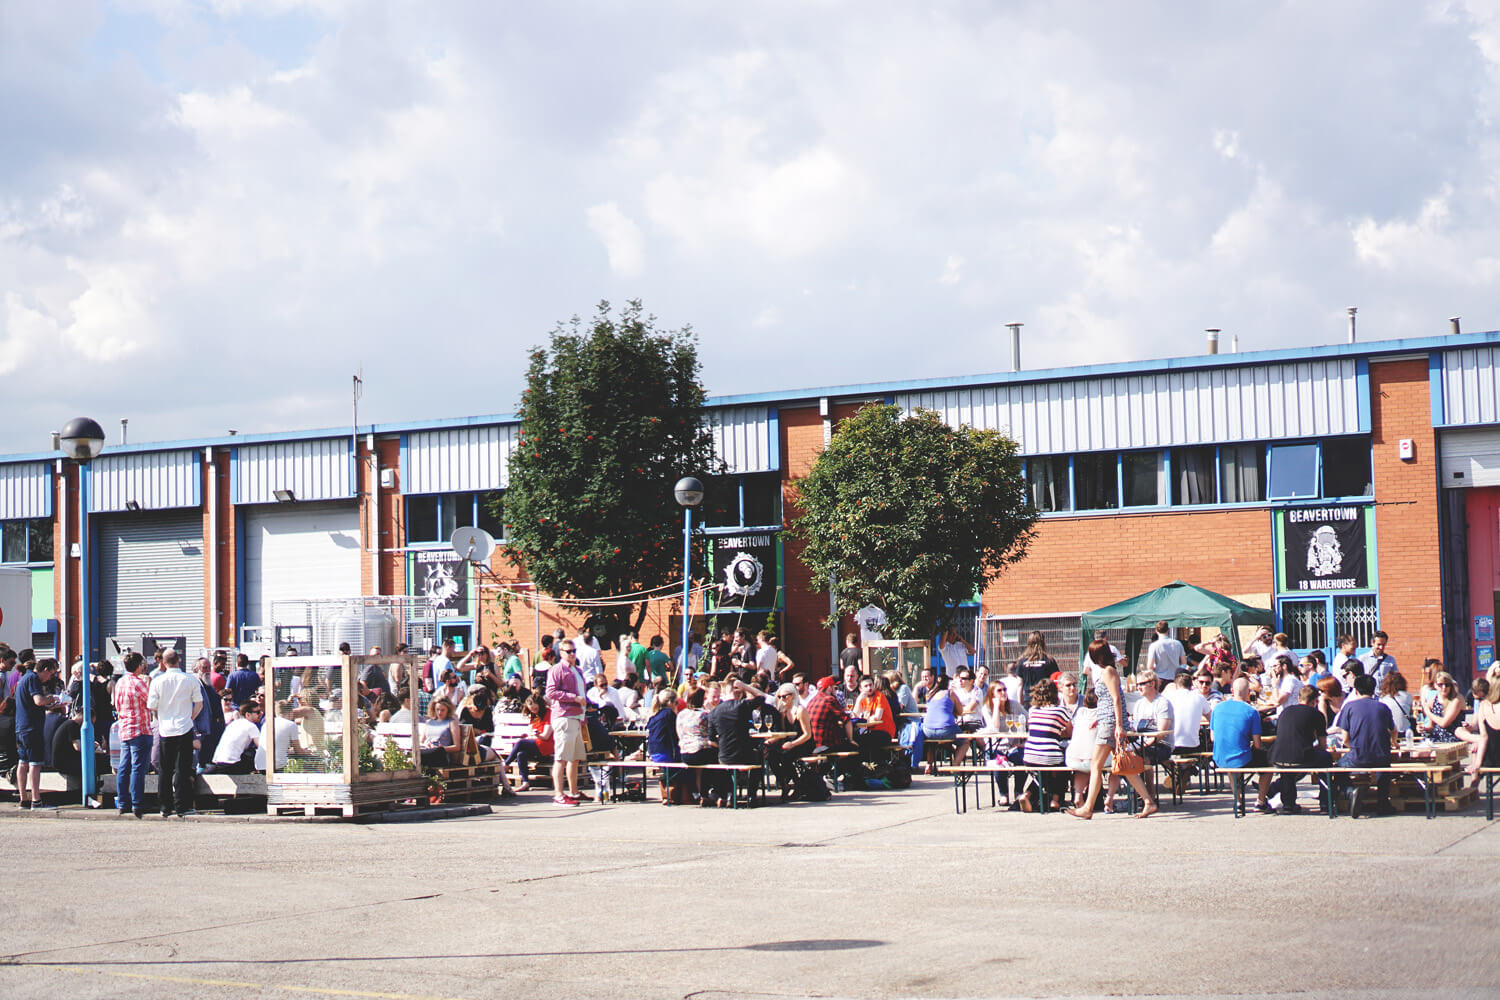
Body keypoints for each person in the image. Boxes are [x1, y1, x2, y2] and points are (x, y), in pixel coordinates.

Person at [1068, 642, 1158, 819]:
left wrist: (1118, 725)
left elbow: (1116, 699)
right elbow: (1110, 701)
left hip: (1110, 724)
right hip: (1108, 721)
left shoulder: (1108, 672)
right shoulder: (1108, 671)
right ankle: (1148, 801)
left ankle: (1088, 807)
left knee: (1096, 765)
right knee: (1123, 765)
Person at [147, 649, 203, 818]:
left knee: (165, 769)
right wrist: (190, 717)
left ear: (163, 662)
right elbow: (199, 704)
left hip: (165, 728)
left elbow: (152, 706)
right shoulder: (190, 680)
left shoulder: (157, 681)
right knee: (182, 769)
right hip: (184, 728)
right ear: (179, 660)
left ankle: (165, 806)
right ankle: (182, 806)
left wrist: (161, 718)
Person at [1332, 674, 1397, 817]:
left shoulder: (1349, 707)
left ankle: (1350, 791)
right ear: (1373, 690)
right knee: (1384, 767)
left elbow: (1345, 738)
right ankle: (1383, 802)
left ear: (1355, 690)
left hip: (1358, 756)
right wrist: (1394, 742)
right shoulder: (1383, 707)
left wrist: (1353, 747)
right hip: (1381, 756)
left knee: (1337, 768)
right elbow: (1394, 730)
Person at [1209, 676, 1272, 815]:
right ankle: (1261, 801)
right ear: (1249, 692)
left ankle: (1237, 801)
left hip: (1219, 757)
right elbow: (1257, 744)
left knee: (1231, 761)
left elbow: (1213, 738)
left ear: (1232, 691)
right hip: (1241, 758)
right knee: (1269, 765)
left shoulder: (1217, 709)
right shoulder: (1252, 712)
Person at [704, 678, 768, 806]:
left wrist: (722, 745)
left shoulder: (713, 713)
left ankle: (729, 794)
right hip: (744, 755)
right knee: (758, 756)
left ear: (724, 692)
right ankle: (752, 795)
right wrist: (745, 686)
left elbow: (711, 740)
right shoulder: (742, 705)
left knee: (726, 764)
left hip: (725, 756)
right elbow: (762, 697)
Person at [1269, 685, 1330, 813]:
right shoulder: (1316, 714)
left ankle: (1288, 804)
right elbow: (1323, 745)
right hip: (1301, 756)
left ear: (1298, 698)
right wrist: (1313, 748)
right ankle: (1325, 802)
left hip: (1277, 755)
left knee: (1288, 767)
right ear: (1315, 701)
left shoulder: (1285, 711)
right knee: (1325, 759)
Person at [544, 639, 589, 805]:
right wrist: (574, 698)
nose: (572, 654)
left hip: (577, 717)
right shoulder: (557, 669)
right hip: (564, 716)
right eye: (568, 651)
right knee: (561, 758)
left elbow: (581, 693)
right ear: (561, 652)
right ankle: (559, 795)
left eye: (573, 651)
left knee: (574, 758)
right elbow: (551, 692)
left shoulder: (577, 670)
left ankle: (574, 792)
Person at [1020, 678, 1072, 812]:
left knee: (1042, 773)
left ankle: (1027, 794)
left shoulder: (1032, 710)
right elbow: (1070, 731)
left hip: (1029, 755)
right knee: (1064, 767)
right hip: (1049, 754)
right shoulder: (1060, 711)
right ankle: (1055, 799)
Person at [112, 651, 153, 815]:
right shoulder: (138, 683)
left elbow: (115, 704)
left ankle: (123, 802)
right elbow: (151, 702)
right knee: (138, 768)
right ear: (139, 666)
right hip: (140, 728)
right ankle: (137, 802)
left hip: (125, 728)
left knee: (124, 766)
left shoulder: (120, 682)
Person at [506, 696, 553, 792]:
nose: (533, 710)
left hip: (546, 745)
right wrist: (528, 736)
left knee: (520, 743)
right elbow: (531, 733)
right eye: (531, 708)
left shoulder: (548, 713)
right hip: (536, 744)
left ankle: (506, 765)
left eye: (535, 707)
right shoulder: (533, 716)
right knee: (521, 754)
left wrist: (537, 735)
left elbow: (546, 736)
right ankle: (525, 782)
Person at [205, 702, 264, 774]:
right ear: (248, 714)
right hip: (231, 765)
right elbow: (261, 746)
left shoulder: (233, 724)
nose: (261, 713)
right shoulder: (251, 726)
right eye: (258, 712)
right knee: (252, 753)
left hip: (218, 763)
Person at [1462, 677, 1500, 783]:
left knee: (1477, 747)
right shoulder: (1483, 705)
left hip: (1490, 760)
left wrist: (1477, 764)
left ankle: (1474, 784)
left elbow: (1484, 737)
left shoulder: (1483, 706)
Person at [1421, 672, 1465, 743]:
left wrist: (1428, 712)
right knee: (1418, 749)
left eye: (1447, 685)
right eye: (1440, 685)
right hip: (1436, 738)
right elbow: (1431, 727)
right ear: (1435, 685)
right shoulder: (1433, 701)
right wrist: (1424, 729)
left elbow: (1444, 723)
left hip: (1452, 738)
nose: (1444, 687)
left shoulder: (1456, 699)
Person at [1145, 621, 1186, 685]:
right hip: (1176, 679)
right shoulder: (1178, 644)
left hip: (1160, 679)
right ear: (1168, 630)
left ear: (1156, 631)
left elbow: (1150, 667)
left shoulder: (1153, 646)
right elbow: (1184, 663)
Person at [1379, 672, 1413, 736]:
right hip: (1405, 732)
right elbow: (1410, 713)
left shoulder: (1383, 699)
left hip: (1390, 733)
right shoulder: (1408, 696)